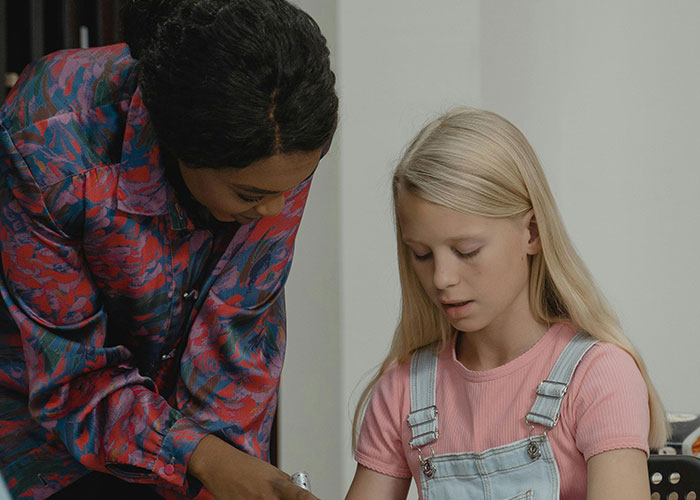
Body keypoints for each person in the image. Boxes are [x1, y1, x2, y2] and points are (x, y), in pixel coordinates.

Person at [0, 0, 337, 499]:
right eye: (250, 195)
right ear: (179, 147)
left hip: (182, 430)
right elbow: (68, 375)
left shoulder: (276, 154)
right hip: (40, 431)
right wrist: (201, 455)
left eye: (297, 185)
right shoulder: (47, 140)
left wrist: (227, 469)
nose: (276, 211)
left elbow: (238, 337)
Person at [345, 107, 667, 500]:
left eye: (467, 250)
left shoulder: (600, 376)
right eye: (422, 254)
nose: (441, 278)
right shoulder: (402, 392)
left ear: (531, 232)